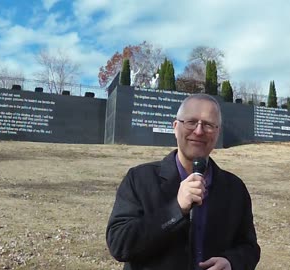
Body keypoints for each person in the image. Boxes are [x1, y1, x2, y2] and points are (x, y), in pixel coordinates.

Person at [106, 94, 260, 270]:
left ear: (217, 132)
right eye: (191, 122)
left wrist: (232, 262)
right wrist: (176, 209)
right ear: (175, 127)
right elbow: (119, 244)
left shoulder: (235, 189)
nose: (199, 131)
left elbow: (249, 247)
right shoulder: (139, 179)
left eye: (208, 125)